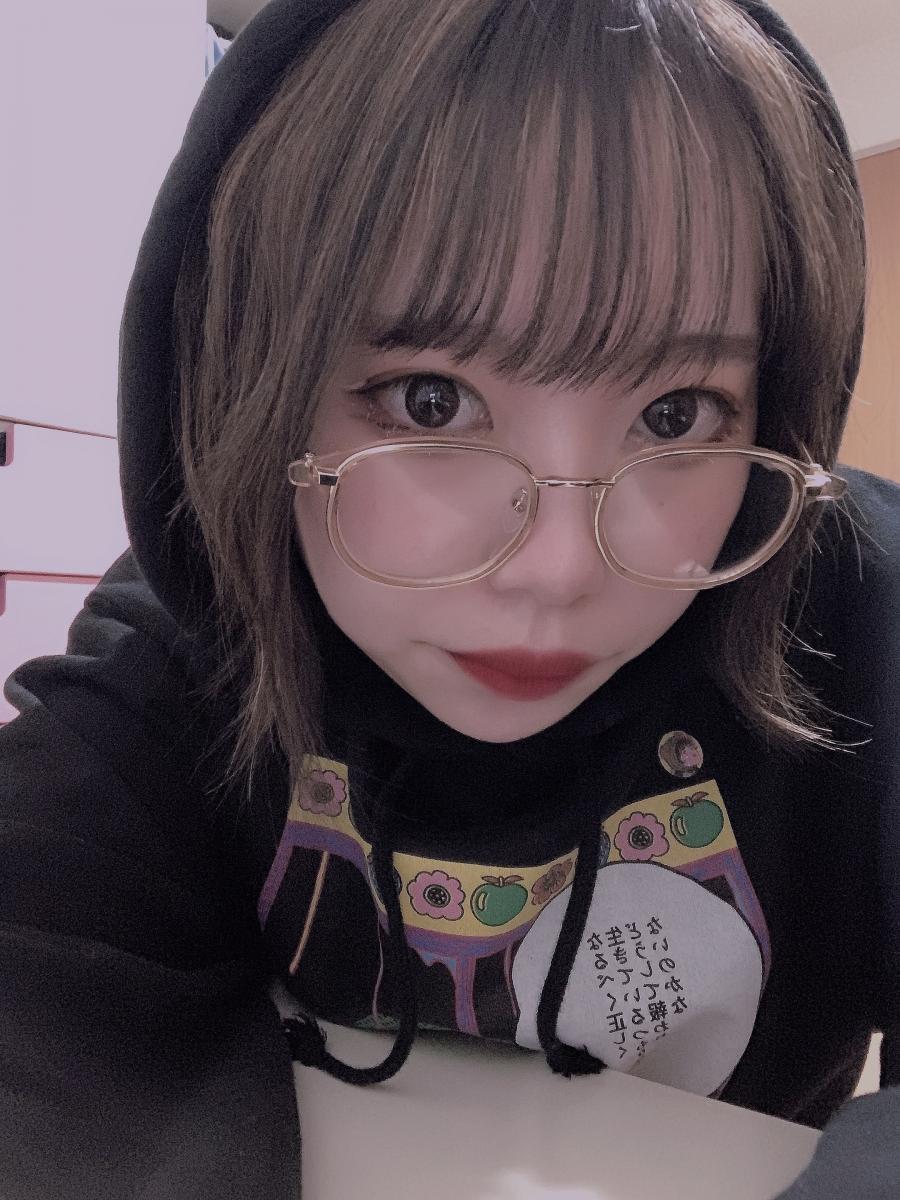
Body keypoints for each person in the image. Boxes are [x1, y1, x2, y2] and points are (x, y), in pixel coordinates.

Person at [2, 0, 899, 1195]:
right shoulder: (207, 631)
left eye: (676, 413)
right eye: (431, 400)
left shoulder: (857, 607)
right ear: (248, 386)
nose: (560, 569)